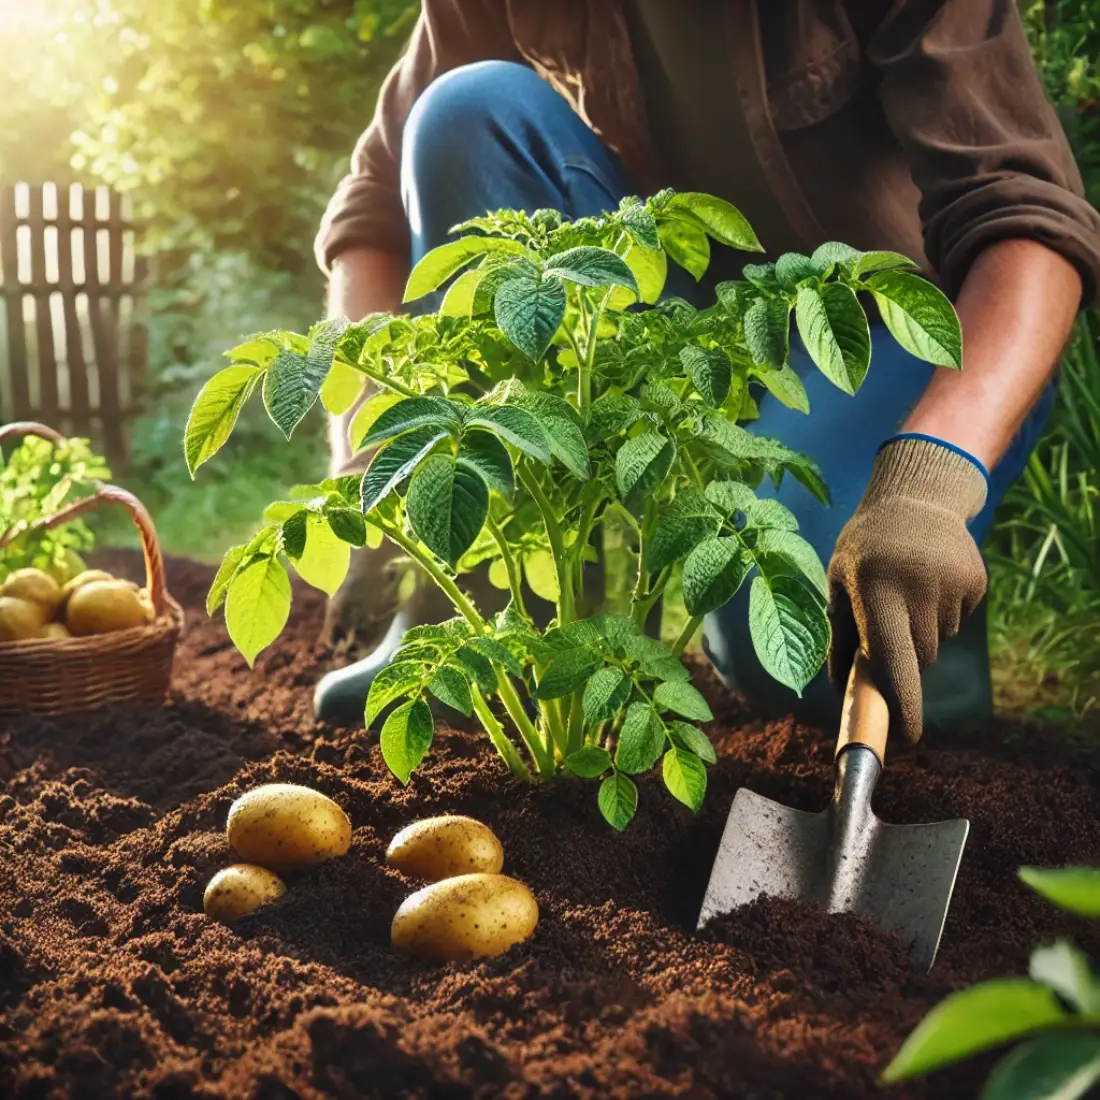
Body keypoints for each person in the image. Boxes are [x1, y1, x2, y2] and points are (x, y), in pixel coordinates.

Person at [313, 0, 1100, 740]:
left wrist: (929, 485)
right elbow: (375, 211)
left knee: (791, 661)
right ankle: (500, 628)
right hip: (689, 336)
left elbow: (1026, 222)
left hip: (898, 348)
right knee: (466, 110)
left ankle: (930, 615)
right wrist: (376, 459)